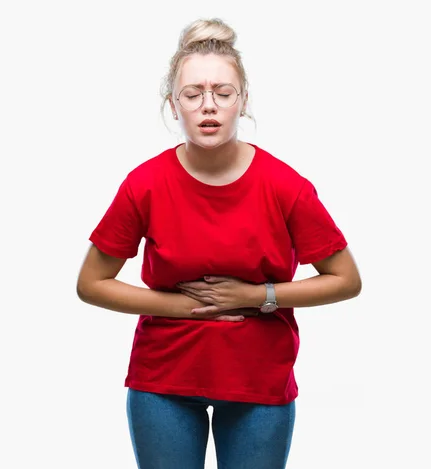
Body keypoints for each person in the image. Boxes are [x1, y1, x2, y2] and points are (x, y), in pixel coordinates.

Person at [76, 17, 362, 469]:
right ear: (174, 104)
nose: (208, 105)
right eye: (193, 94)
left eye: (223, 93)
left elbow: (345, 280)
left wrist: (256, 296)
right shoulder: (143, 184)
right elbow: (91, 283)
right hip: (163, 381)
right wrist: (182, 307)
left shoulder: (286, 186)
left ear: (243, 100)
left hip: (258, 382)